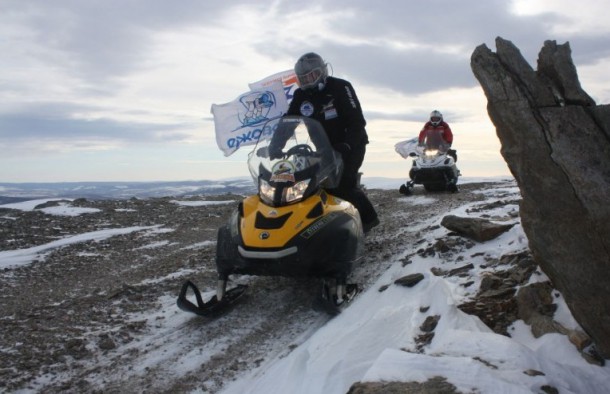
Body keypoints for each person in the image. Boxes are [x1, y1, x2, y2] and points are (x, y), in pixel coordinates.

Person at [285, 52, 379, 233]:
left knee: (343, 184)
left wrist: (347, 144)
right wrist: (275, 145)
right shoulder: (300, 96)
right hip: (324, 148)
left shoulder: (341, 87)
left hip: (351, 144)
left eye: (312, 76)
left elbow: (357, 121)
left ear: (322, 72)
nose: (308, 81)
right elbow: (289, 120)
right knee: (315, 185)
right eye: (303, 79)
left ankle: (368, 221)